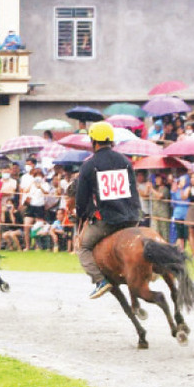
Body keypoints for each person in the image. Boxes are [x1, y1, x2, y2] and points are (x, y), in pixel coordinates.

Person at [76, 122, 141, 299]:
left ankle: (100, 281)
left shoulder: (89, 166)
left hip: (110, 220)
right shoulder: (125, 161)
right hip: (133, 217)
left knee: (83, 247)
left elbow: (82, 199)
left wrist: (81, 215)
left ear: (93, 141)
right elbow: (133, 190)